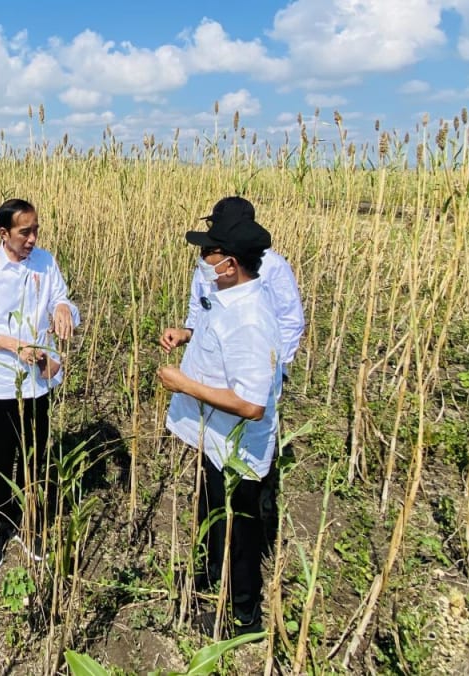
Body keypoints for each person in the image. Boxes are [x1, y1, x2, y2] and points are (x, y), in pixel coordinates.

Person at [156, 204, 281, 636]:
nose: (203, 259)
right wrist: (186, 335)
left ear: (229, 264)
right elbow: (212, 338)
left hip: (239, 447)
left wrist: (184, 385)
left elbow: (251, 405)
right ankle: (210, 574)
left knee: (242, 533)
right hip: (216, 438)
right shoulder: (229, 297)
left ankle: (244, 615)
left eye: (210, 252)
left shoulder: (251, 320)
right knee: (213, 510)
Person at [0, 198, 80, 569]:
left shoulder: (46, 261)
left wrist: (63, 308)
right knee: (1, 456)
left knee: (37, 454)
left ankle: (33, 521)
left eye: (36, 230)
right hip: (1, 380)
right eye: (24, 231)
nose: (32, 238)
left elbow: (62, 300)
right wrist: (14, 346)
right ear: (3, 233)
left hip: (39, 381)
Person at [182, 197, 303, 378]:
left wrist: (276, 366)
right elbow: (199, 306)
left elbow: (290, 319)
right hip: (209, 368)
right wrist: (187, 332)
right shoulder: (210, 260)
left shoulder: (273, 266)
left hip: (252, 369)